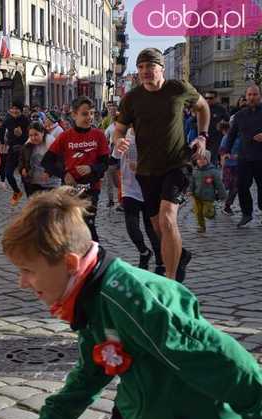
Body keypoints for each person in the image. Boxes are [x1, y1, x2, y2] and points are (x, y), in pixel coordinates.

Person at [2, 187, 262, 419]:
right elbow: (94, 368)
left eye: (28, 270)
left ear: (71, 264)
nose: (22, 282)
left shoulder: (129, 299)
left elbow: (215, 354)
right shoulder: (88, 294)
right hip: (137, 409)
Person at [114, 47, 210, 282]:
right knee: (157, 227)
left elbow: (203, 107)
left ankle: (171, 279)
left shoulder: (177, 88)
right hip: (147, 170)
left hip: (177, 163)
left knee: (167, 218)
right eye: (141, 67)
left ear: (161, 68)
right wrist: (119, 141)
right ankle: (181, 255)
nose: (145, 71)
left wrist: (202, 136)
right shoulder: (132, 99)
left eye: (150, 66)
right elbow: (119, 129)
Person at [42, 96, 110, 242]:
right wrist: (64, 174)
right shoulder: (65, 136)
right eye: (85, 114)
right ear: (74, 115)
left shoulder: (99, 135)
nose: (89, 117)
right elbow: (47, 161)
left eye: (92, 113)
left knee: (88, 226)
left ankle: (95, 260)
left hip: (92, 188)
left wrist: (92, 168)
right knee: (72, 227)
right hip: (70, 188)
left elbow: (105, 163)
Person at [112, 128, 164, 274]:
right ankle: (143, 252)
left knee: (151, 228)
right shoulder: (123, 136)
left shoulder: (152, 135)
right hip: (129, 188)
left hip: (149, 188)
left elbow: (160, 161)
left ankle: (160, 260)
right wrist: (117, 144)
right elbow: (114, 156)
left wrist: (141, 166)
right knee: (131, 226)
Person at [223, 85, 262, 228]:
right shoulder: (240, 115)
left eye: (255, 94)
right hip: (244, 156)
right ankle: (247, 214)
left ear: (260, 96)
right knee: (242, 186)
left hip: (261, 157)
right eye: (249, 95)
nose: (252, 97)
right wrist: (226, 150)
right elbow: (232, 134)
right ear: (246, 96)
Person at [189, 151, 227, 234]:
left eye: (204, 159)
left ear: (208, 160)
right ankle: (201, 226)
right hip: (197, 196)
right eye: (199, 159)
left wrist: (222, 195)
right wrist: (190, 191)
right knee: (198, 212)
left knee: (206, 213)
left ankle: (212, 213)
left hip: (208, 197)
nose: (201, 161)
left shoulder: (213, 171)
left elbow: (219, 184)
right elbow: (191, 183)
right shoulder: (195, 171)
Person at [19, 121, 60, 197]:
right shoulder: (28, 144)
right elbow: (22, 159)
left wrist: (48, 172)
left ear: (42, 133)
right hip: (33, 183)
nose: (33, 138)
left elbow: (59, 161)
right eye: (31, 135)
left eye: (36, 134)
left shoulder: (50, 141)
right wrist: (23, 168)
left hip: (51, 184)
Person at [3, 101, 30, 206]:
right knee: (8, 174)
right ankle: (17, 191)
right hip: (12, 151)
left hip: (23, 152)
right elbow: (3, 130)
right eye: (12, 108)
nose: (14, 111)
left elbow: (29, 136)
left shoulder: (25, 120)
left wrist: (23, 142)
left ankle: (30, 200)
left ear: (21, 110)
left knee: (25, 177)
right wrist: (2, 141)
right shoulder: (8, 119)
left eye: (17, 109)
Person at [218, 120, 241, 216]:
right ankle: (209, 198)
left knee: (235, 187)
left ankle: (227, 206)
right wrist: (223, 165)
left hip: (239, 166)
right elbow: (222, 153)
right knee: (225, 186)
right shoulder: (226, 138)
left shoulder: (242, 137)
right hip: (229, 166)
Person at [204, 90, 230, 165]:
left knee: (212, 158)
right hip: (204, 137)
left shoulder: (221, 109)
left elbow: (228, 121)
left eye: (210, 98)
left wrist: (222, 126)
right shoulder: (202, 108)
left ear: (216, 98)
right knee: (204, 158)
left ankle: (213, 174)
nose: (208, 100)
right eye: (206, 98)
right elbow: (192, 122)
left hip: (216, 138)